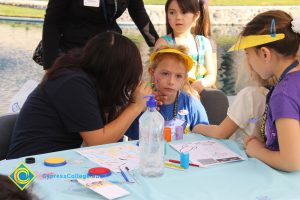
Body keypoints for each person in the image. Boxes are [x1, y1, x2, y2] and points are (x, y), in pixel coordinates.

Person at [7, 32, 152, 159]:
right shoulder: (73, 83)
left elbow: (105, 125)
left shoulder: (84, 77)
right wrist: (135, 107)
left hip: (55, 160)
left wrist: (136, 103)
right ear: (114, 73)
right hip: (29, 168)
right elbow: (97, 142)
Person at [230, 10, 300, 172]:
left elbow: (291, 162)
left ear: (264, 54)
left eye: (248, 54)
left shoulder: (283, 94)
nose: (248, 61)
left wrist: (258, 151)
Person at [41, 0, 159, 70]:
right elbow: (52, 21)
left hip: (109, 54)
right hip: (74, 54)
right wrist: (50, 66)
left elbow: (139, 13)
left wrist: (157, 44)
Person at [126, 45, 209, 140]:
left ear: (184, 79)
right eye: (165, 73)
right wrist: (138, 108)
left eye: (178, 76)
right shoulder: (139, 103)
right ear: (152, 73)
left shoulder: (191, 104)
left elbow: (205, 139)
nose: (171, 82)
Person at [194, 65, 275, 145]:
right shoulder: (278, 93)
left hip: (246, 153)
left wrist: (197, 127)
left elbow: (221, 133)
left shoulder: (249, 95)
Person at [154, 0, 216, 93]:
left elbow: (211, 75)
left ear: (196, 16)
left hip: (196, 96)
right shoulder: (163, 43)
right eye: (172, 13)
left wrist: (201, 83)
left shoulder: (204, 42)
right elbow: (156, 74)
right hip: (171, 96)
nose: (178, 17)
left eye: (184, 12)